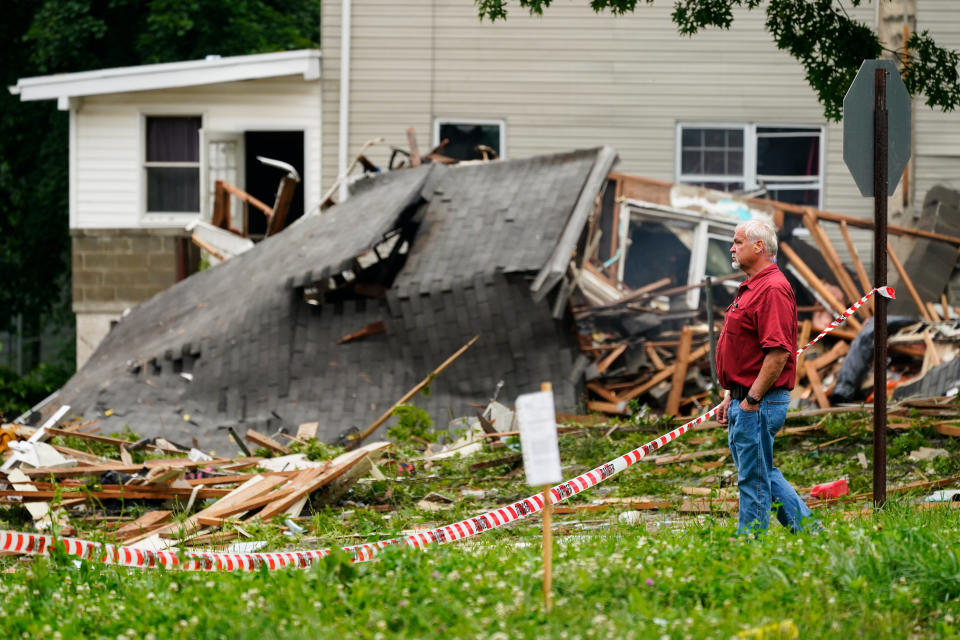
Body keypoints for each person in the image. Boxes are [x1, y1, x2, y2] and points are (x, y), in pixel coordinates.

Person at [715, 219, 814, 535]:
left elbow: (778, 353)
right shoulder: (753, 285)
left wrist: (751, 399)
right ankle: (811, 533)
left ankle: (751, 548)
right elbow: (750, 351)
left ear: (759, 246)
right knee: (761, 473)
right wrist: (731, 393)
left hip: (759, 403)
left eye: (738, 242)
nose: (732, 248)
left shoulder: (771, 288)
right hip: (744, 398)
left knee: (753, 480)